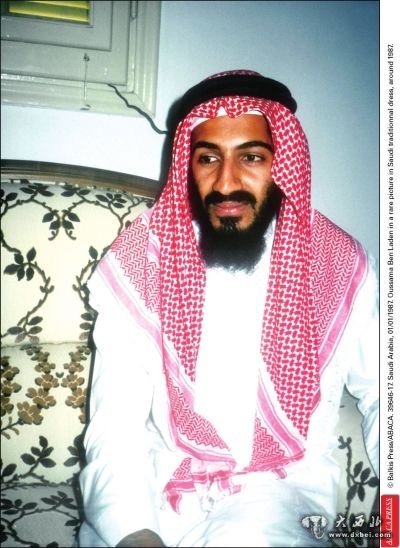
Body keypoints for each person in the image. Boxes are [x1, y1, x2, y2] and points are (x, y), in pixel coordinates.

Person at [78, 70, 379, 547]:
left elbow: (385, 395)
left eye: (252, 157)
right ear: (188, 166)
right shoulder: (142, 262)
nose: (226, 182)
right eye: (208, 158)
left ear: (283, 164)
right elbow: (115, 424)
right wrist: (136, 532)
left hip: (279, 492)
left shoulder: (338, 265)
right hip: (159, 486)